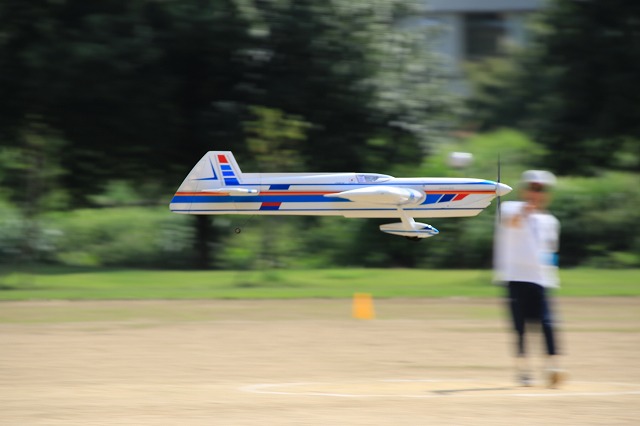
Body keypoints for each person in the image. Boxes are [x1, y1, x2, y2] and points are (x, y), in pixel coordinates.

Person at [493, 170, 565, 388]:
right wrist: (525, 211)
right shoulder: (510, 208)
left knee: (547, 323)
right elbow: (512, 223)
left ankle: (553, 367)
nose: (536, 193)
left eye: (540, 189)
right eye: (532, 188)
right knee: (520, 326)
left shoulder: (551, 221)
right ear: (524, 190)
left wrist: (551, 276)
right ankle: (523, 370)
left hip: (540, 279)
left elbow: (550, 252)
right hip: (515, 276)